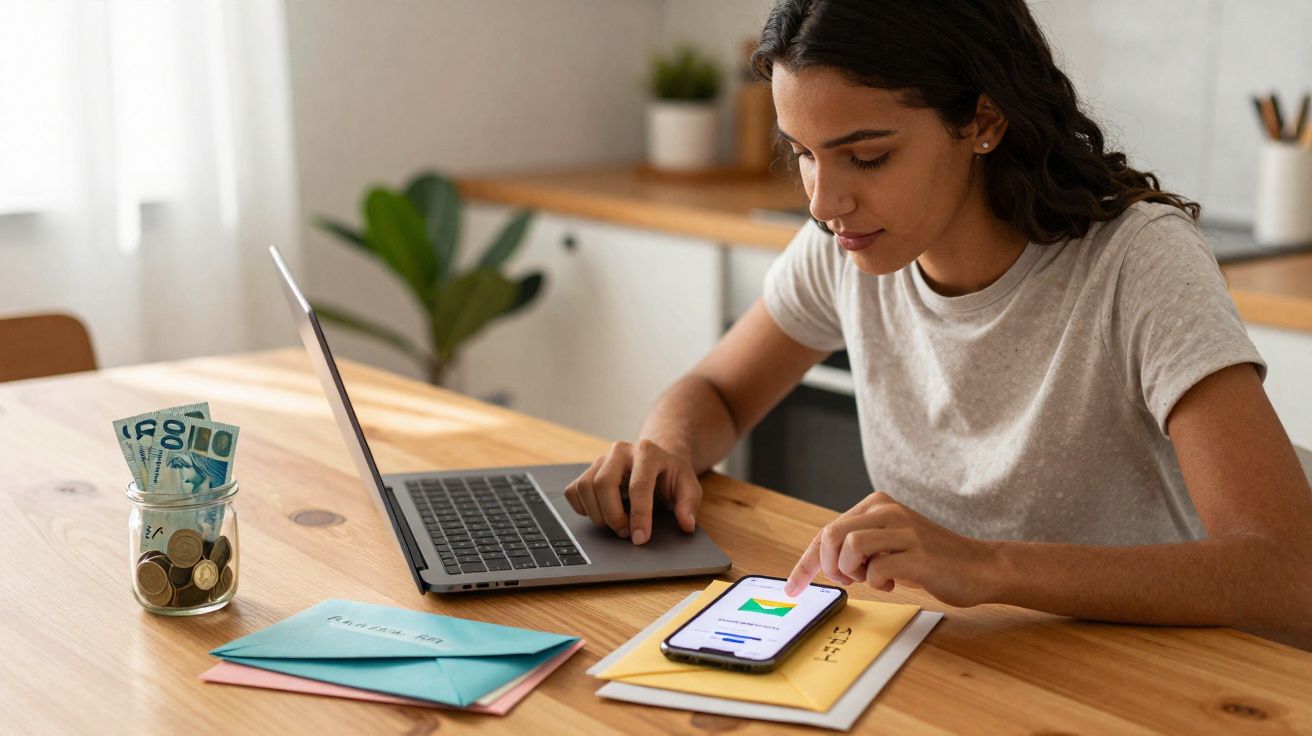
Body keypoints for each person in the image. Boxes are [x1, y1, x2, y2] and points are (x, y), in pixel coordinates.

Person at [563, 0, 1312, 648]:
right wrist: (666, 447)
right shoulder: (844, 246)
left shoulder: (1137, 264)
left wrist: (986, 564)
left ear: (983, 121)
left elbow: (1283, 571)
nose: (824, 202)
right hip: (965, 649)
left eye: (867, 156)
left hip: (1156, 669)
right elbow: (721, 391)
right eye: (804, 157)